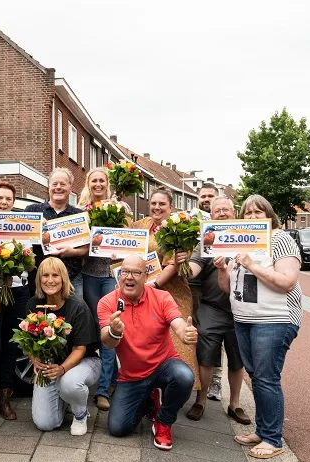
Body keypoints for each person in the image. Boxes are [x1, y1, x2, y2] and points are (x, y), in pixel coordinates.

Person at [214, 195, 302, 460]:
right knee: (256, 375)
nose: (252, 218)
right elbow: (226, 287)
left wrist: (251, 263)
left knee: (266, 377)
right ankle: (263, 431)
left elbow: (287, 281)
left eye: (258, 212)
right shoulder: (241, 240)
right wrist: (221, 268)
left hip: (273, 319)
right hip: (244, 319)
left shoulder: (280, 240)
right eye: (248, 213)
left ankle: (273, 438)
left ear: (269, 215)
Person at [98, 255, 198, 450]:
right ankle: (150, 401)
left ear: (146, 276)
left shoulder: (161, 297)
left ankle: (163, 422)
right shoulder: (107, 302)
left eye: (136, 272)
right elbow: (107, 343)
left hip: (163, 366)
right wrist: (114, 331)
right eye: (125, 272)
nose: (129, 277)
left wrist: (184, 333)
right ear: (119, 275)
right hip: (132, 376)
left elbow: (176, 322)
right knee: (118, 428)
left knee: (184, 376)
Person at [180, 197, 250, 425]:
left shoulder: (249, 238)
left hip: (242, 308)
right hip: (213, 308)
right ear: (210, 215)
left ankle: (235, 404)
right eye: (216, 210)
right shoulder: (206, 241)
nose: (221, 213)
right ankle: (200, 401)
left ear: (234, 212)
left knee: (237, 359)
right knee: (206, 357)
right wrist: (182, 264)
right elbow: (192, 269)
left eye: (225, 210)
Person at [129, 189, 201, 395]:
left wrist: (154, 287)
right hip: (144, 290)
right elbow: (126, 235)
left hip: (172, 293)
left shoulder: (179, 228)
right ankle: (150, 390)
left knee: (176, 340)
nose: (157, 207)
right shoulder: (143, 225)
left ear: (171, 207)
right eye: (153, 203)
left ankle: (175, 388)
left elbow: (173, 265)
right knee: (148, 339)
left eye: (162, 204)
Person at [27, 258, 101, 435]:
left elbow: (80, 349)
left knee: (70, 383)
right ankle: (65, 400)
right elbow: (28, 342)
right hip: (51, 365)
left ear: (64, 279)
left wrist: (61, 369)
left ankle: (80, 413)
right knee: (45, 423)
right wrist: (35, 360)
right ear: (39, 279)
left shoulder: (78, 307)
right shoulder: (33, 304)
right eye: (45, 275)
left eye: (55, 275)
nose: (50, 280)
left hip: (84, 361)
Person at [78, 167, 130, 414]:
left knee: (108, 326)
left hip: (111, 275)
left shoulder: (120, 209)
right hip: (88, 275)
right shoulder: (81, 211)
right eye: (93, 181)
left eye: (102, 180)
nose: (98, 184)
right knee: (94, 330)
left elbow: (131, 239)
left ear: (107, 183)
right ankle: (107, 379)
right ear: (88, 184)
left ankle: (102, 390)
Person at [0, 181, 29, 421]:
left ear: (14, 202)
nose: (4, 202)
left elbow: (30, 255)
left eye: (8, 199)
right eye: (0, 198)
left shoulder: (22, 224)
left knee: (13, 344)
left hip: (18, 290)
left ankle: (4, 397)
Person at [25, 168, 89, 302]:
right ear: (49, 187)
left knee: (76, 316)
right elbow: (23, 243)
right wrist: (36, 229)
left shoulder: (79, 215)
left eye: (63, 184)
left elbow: (87, 249)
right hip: (41, 278)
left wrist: (72, 252)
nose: (58, 187)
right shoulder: (33, 211)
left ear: (70, 188)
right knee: (40, 318)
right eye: (54, 184)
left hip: (72, 277)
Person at [189, 183, 224, 403]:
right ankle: (197, 378)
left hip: (215, 289)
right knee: (200, 333)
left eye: (211, 196)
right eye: (203, 196)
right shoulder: (191, 221)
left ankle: (216, 379)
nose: (207, 198)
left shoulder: (226, 226)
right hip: (194, 284)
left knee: (216, 336)